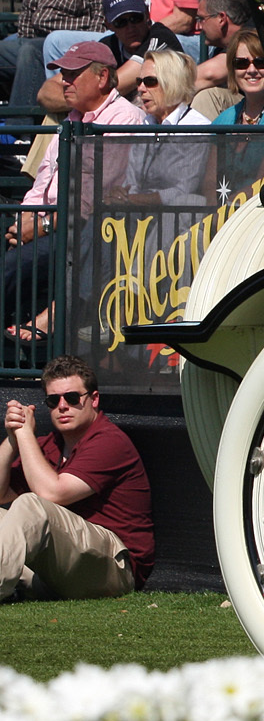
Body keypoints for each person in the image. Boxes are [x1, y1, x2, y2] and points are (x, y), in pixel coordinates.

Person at [7, 44, 149, 344]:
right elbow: (42, 180)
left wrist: (41, 227)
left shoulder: (123, 118)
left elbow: (95, 196)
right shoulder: (70, 120)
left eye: (73, 73)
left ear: (101, 78)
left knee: (15, 263)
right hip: (46, 223)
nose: (64, 81)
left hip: (81, 230)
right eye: (63, 73)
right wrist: (24, 220)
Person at [0, 356, 154, 601]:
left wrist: (25, 435)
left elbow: (53, 494)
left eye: (72, 398)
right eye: (53, 400)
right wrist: (12, 439)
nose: (62, 406)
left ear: (93, 399)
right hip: (64, 569)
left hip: (115, 568)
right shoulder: (48, 446)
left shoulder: (109, 441)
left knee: (31, 504)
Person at [34, 0, 181, 115]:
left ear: (147, 15)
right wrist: (77, 100)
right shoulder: (107, 45)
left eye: (135, 18)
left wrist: (77, 98)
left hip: (158, 120)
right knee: (56, 117)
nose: (130, 27)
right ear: (108, 24)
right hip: (121, 118)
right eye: (120, 22)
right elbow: (45, 92)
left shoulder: (160, 38)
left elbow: (116, 85)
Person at [108, 49, 212, 209]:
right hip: (139, 215)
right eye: (139, 81)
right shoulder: (146, 125)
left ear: (172, 82)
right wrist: (120, 194)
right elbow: (132, 183)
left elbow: (184, 189)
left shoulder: (197, 127)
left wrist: (136, 200)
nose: (141, 89)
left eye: (150, 81)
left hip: (178, 219)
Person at [211, 29, 264, 127]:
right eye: (241, 63)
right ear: (232, 69)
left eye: (260, 62)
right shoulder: (224, 120)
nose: (251, 70)